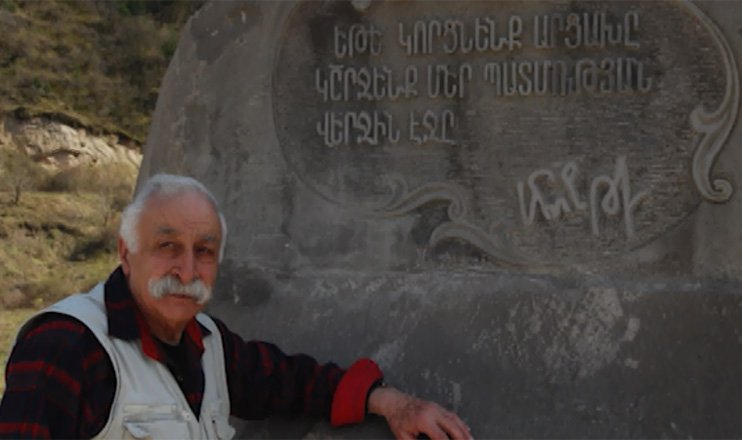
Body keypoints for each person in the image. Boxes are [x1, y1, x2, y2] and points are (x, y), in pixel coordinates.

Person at [0, 173, 471, 439]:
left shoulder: (209, 345)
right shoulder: (65, 345)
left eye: (204, 251)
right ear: (126, 253)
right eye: (167, 246)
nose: (187, 270)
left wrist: (393, 403)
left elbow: (289, 381)